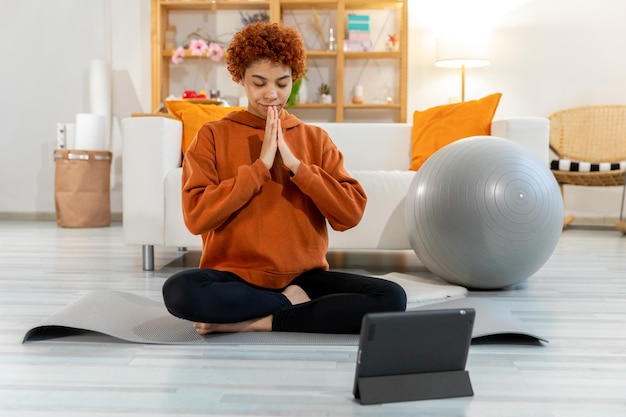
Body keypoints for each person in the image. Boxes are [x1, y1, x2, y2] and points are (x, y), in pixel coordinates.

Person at [162, 22, 406, 335]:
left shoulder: (315, 138)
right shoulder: (212, 135)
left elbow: (350, 214)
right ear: (241, 79)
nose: (271, 94)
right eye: (259, 83)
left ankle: (259, 320)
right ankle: (289, 306)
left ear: (294, 78)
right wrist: (260, 167)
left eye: (282, 82)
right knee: (180, 290)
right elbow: (196, 217)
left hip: (304, 279)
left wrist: (297, 167)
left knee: (391, 297)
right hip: (235, 276)